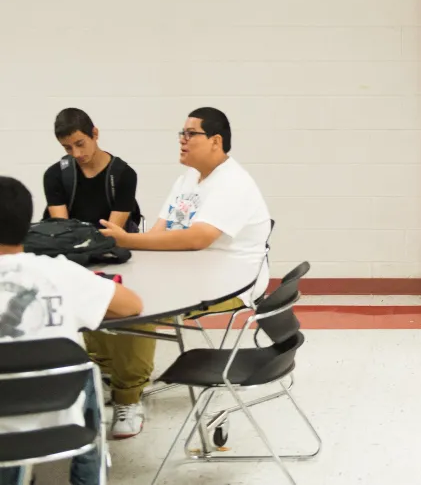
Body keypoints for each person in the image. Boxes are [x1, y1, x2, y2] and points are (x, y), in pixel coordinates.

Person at [84, 107, 272, 439]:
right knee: (101, 291)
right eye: (181, 134)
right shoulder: (187, 179)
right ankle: (108, 371)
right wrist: (126, 245)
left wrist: (130, 239)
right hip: (184, 270)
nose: (182, 141)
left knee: (137, 307)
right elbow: (159, 231)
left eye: (190, 134)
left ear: (216, 141)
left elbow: (199, 238)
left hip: (225, 282)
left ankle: (129, 398)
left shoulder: (233, 182)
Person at [0, 176, 143, 485]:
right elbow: (131, 306)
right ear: (28, 225)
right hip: (61, 414)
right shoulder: (59, 271)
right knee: (84, 370)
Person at [43, 108, 142, 232]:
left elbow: (112, 234)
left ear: (95, 133)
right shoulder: (54, 175)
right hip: (70, 247)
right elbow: (63, 234)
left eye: (80, 144)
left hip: (108, 247)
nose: (76, 153)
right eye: (67, 148)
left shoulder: (125, 175)